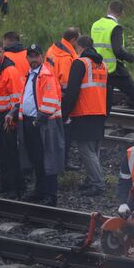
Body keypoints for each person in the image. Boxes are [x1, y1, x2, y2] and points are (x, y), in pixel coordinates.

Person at [7, 44, 64, 206]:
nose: (33, 59)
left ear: (42, 56)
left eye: (36, 56)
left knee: (47, 159)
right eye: (30, 56)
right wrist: (13, 112)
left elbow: (51, 101)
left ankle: (50, 195)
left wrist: (37, 121)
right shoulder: (30, 75)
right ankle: (39, 191)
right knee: (36, 159)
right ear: (27, 58)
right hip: (30, 122)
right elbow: (25, 98)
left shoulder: (46, 75)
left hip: (42, 124)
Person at [91, 0, 134, 140]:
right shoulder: (116, 27)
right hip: (115, 70)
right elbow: (118, 50)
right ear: (121, 13)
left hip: (100, 70)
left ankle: (97, 133)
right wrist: (131, 57)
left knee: (105, 105)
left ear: (108, 9)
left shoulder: (95, 25)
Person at [62, 35, 108, 197]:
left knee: (86, 150)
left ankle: (97, 183)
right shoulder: (102, 65)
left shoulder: (80, 63)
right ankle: (91, 179)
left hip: (84, 112)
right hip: (99, 111)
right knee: (94, 149)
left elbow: (72, 91)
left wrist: (64, 113)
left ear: (78, 47)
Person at [0, 40, 25, 199]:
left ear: (3, 52)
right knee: (1, 153)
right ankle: (5, 185)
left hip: (7, 118)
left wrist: (12, 118)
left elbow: (17, 98)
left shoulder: (10, 71)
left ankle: (17, 187)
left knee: (11, 154)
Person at [46, 27, 81, 171]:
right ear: (73, 40)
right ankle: (63, 162)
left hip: (49, 94)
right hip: (61, 99)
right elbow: (67, 83)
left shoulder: (52, 49)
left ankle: (55, 160)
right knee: (65, 132)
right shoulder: (66, 58)